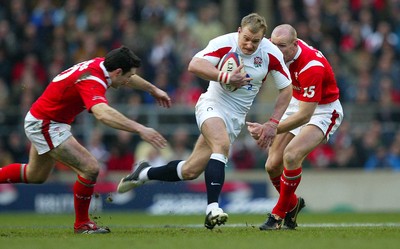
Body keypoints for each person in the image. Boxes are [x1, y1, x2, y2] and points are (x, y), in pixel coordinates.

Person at [117, 13, 293, 229]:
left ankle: (143, 173)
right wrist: (225, 77)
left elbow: (286, 90)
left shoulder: (271, 53)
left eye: (255, 41)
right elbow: (194, 64)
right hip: (211, 104)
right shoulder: (224, 42)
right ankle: (212, 208)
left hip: (235, 118)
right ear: (239, 31)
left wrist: (273, 123)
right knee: (221, 146)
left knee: (190, 170)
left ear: (263, 38)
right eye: (245, 38)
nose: (248, 44)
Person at [0, 46, 172, 234]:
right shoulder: (92, 80)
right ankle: (82, 224)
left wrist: (152, 89)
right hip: (46, 124)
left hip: (46, 119)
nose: (128, 81)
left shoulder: (103, 64)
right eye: (127, 76)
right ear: (117, 72)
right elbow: (102, 114)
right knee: (90, 167)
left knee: (35, 175)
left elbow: (129, 78)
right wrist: (140, 128)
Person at [247, 24, 344, 230]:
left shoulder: (311, 66)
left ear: (295, 44)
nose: (276, 49)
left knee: (291, 155)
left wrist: (270, 127)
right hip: (297, 101)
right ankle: (292, 205)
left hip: (323, 110)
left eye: (282, 46)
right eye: (274, 44)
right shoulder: (272, 51)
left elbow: (305, 116)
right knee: (272, 165)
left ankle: (277, 215)